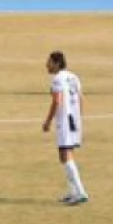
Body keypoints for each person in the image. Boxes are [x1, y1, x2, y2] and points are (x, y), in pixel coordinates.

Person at [41, 51, 87, 205]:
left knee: (65, 155)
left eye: (49, 62)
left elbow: (57, 101)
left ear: (57, 63)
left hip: (65, 121)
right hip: (75, 119)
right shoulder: (74, 77)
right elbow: (81, 98)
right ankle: (72, 191)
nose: (47, 65)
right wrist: (79, 118)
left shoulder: (57, 79)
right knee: (66, 155)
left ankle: (80, 192)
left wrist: (48, 121)